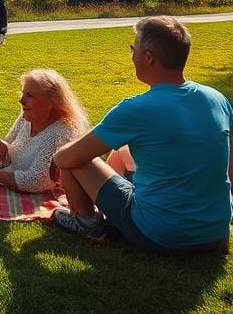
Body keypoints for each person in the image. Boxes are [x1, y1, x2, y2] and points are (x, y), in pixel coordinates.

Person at [52, 16, 232, 252]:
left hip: (159, 233)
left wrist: (56, 159)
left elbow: (69, 159)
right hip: (215, 233)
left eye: (133, 49)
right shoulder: (216, 99)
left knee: (76, 158)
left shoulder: (136, 109)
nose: (132, 55)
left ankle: (87, 223)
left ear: (148, 57)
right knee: (129, 162)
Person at [0, 69, 88, 192]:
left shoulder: (60, 133)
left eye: (29, 95)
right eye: (23, 93)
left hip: (42, 197)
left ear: (52, 102)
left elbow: (35, 182)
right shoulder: (27, 116)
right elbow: (9, 160)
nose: (21, 100)